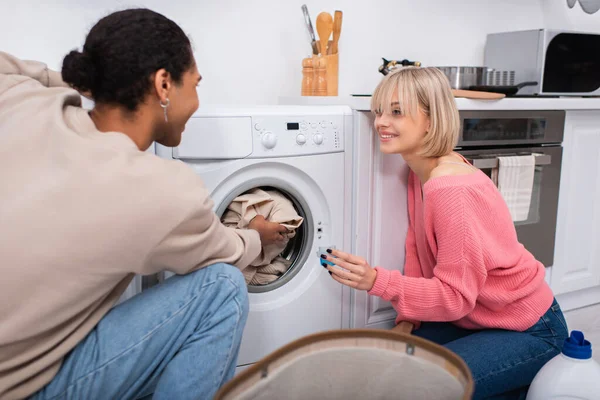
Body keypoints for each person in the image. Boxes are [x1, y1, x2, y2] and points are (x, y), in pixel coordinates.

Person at [0, 8, 288, 400]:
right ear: (164, 85)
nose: (198, 100)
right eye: (195, 85)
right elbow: (228, 251)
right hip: (20, 389)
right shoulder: (160, 189)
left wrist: (104, 83)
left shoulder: (19, 99)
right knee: (222, 288)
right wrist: (256, 235)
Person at [320, 67, 569, 399]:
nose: (380, 122)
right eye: (379, 111)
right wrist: (409, 320)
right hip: (473, 319)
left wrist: (375, 281)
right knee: (377, 370)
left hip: (529, 328)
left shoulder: (450, 189)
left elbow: (454, 298)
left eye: (396, 111)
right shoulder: (421, 171)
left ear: (430, 120)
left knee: (419, 387)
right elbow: (419, 254)